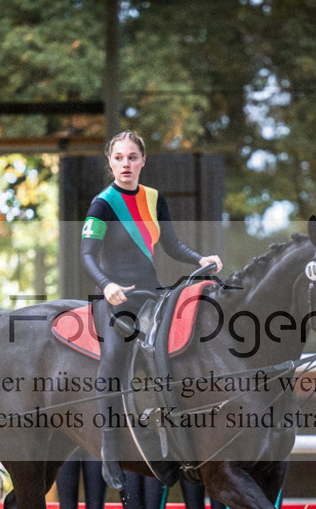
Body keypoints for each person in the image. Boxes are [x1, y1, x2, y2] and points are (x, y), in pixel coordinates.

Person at [80, 130, 222, 489]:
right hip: (116, 299)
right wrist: (107, 286)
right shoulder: (102, 203)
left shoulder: (154, 199)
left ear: (143, 161)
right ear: (110, 162)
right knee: (113, 358)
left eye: (132, 157)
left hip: (152, 296)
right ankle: (109, 447)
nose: (125, 164)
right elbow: (86, 254)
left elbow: (172, 246)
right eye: (118, 158)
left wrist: (200, 259)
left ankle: (172, 441)